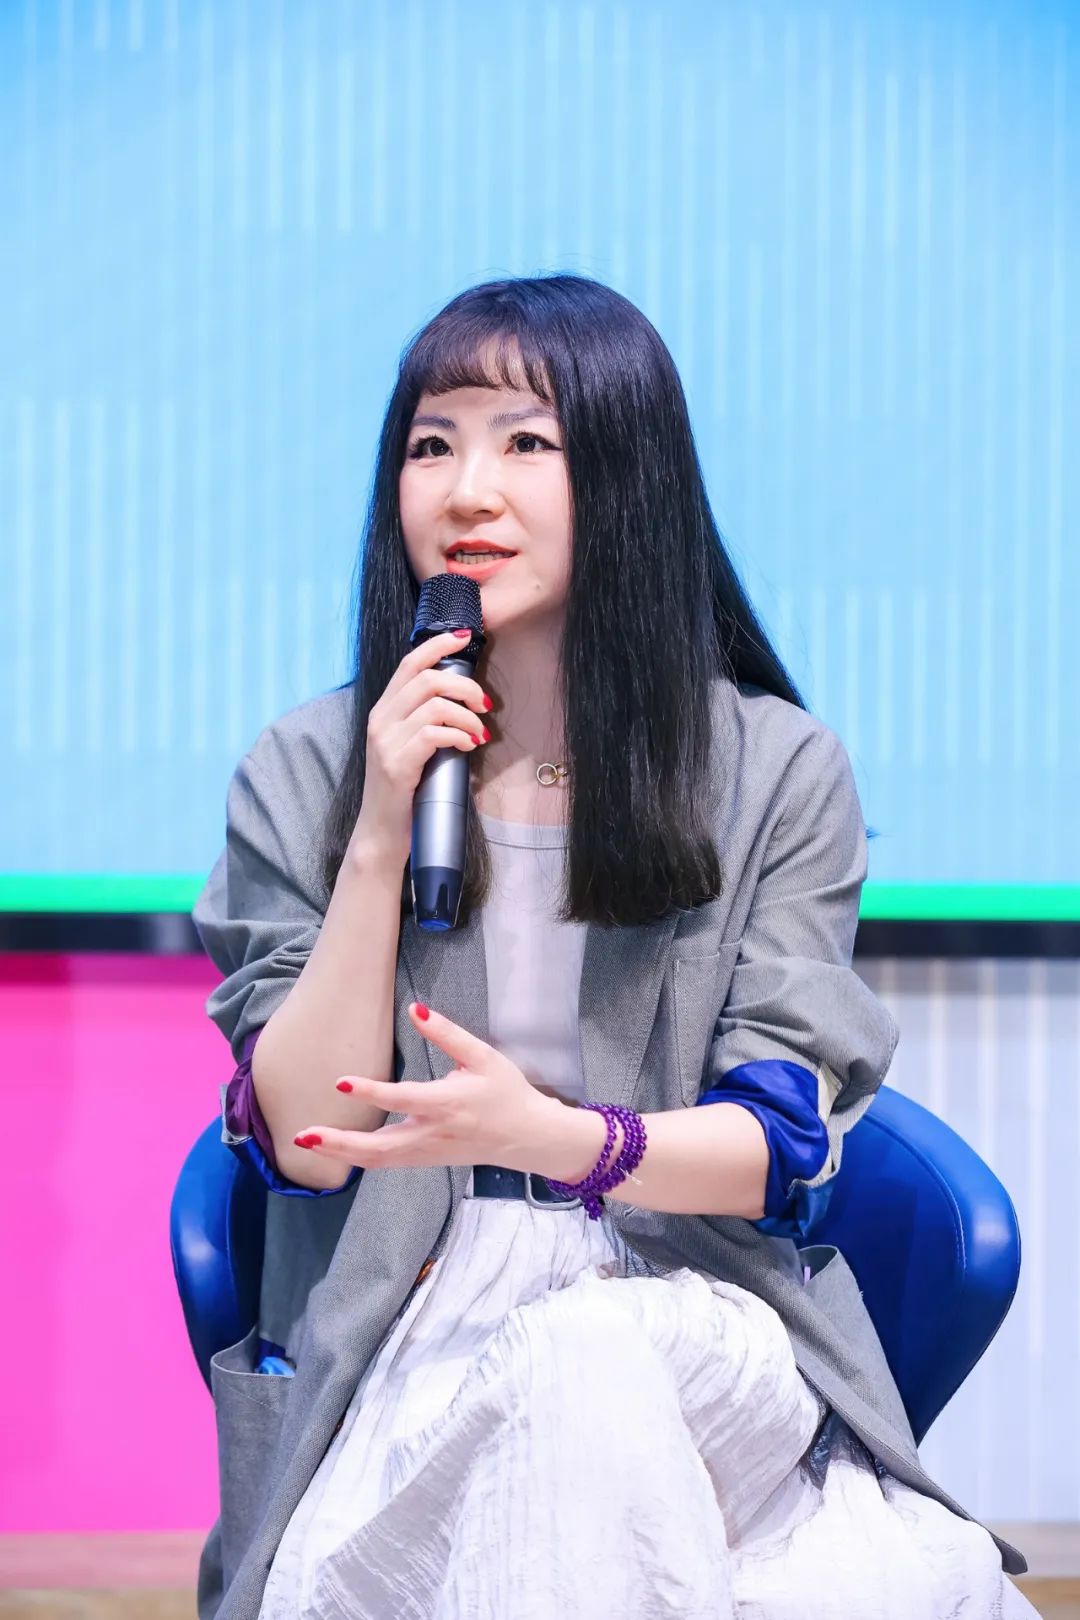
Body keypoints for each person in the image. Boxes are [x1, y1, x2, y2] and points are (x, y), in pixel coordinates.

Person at [192, 273, 1034, 1619]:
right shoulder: (308, 766)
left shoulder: (773, 770)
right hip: (407, 1330)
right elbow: (309, 1141)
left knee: (584, 1361)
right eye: (432, 444)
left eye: (526, 441)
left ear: (630, 478)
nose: (468, 491)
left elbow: (778, 1146)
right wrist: (380, 828)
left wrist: (557, 1139)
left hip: (694, 1308)